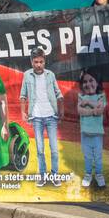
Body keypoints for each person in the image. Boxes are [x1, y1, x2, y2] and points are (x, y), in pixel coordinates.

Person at [19, 47, 62, 184]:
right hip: (36, 117)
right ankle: (42, 176)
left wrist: (61, 109)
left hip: (51, 116)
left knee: (54, 149)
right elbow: (23, 95)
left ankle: (54, 175)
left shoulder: (50, 75)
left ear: (45, 61)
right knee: (40, 149)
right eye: (36, 62)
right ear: (32, 62)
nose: (39, 65)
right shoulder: (27, 75)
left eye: (41, 62)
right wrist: (23, 111)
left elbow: (58, 93)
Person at [77, 69, 108, 188]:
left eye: (91, 80)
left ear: (97, 82)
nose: (88, 84)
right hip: (85, 133)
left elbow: (100, 111)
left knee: (98, 156)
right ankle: (88, 174)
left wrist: (89, 103)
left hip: (97, 134)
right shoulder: (80, 96)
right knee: (88, 156)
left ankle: (99, 175)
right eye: (85, 81)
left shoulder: (101, 96)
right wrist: (93, 110)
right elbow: (80, 111)